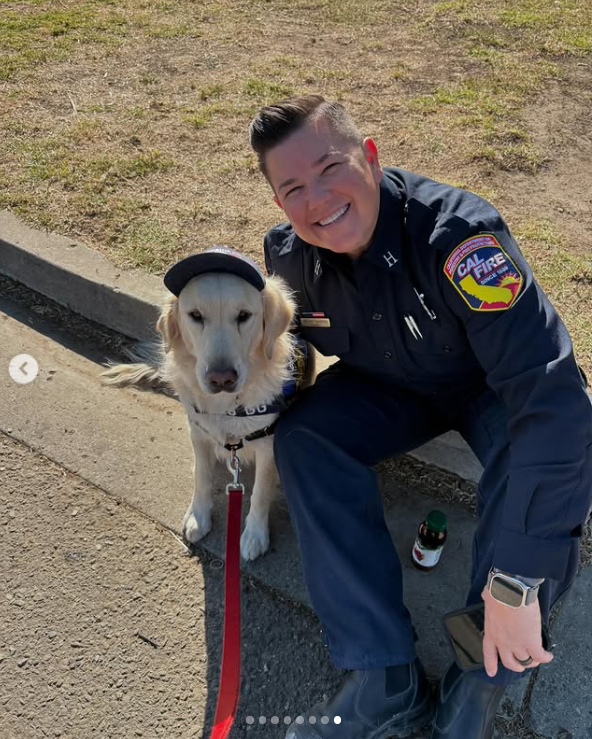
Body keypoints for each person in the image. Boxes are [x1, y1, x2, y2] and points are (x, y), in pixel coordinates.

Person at [248, 95, 592, 739]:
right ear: (279, 205)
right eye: (293, 187)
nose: (317, 199)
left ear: (370, 158)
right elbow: (287, 357)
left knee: (532, 464)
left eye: (330, 168)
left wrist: (517, 581)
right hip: (387, 386)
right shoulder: (289, 257)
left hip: (489, 386)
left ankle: (479, 680)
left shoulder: (459, 241)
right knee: (305, 436)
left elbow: (554, 401)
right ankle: (385, 680)